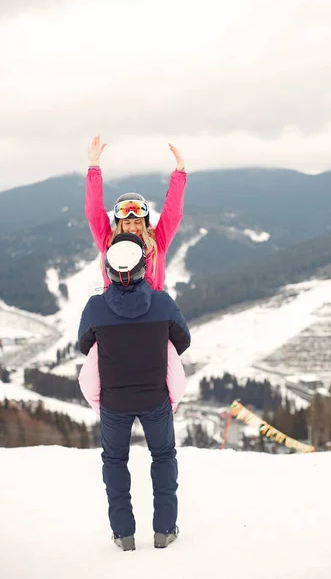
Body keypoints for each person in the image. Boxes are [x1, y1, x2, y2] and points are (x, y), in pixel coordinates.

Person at [78, 233, 191, 551]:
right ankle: (165, 530)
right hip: (156, 398)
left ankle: (123, 535)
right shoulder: (163, 303)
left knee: (114, 462)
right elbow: (182, 340)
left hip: (113, 403)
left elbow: (86, 345)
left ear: (109, 269)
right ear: (145, 265)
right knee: (164, 457)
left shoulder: (95, 307)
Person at [79, 135, 187, 412]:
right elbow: (93, 213)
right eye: (126, 221)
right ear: (118, 223)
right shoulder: (107, 242)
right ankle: (105, 410)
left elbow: (173, 214)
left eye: (137, 221)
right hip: (113, 316)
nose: (133, 226)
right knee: (88, 376)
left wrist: (179, 173)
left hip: (152, 317)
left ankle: (167, 409)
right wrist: (94, 167)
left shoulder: (157, 242)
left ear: (145, 222)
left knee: (176, 375)